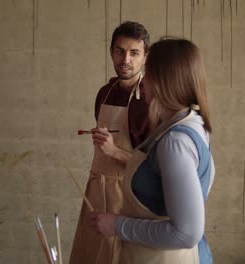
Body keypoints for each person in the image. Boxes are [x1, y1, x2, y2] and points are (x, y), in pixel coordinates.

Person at [92, 38, 215, 264]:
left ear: (162, 81)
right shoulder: (192, 122)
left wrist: (117, 225)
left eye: (148, 73)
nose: (144, 80)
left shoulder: (175, 142)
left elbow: (187, 233)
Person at [69, 21, 150, 264]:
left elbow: (152, 164)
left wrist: (114, 151)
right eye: (119, 51)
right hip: (96, 188)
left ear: (146, 56)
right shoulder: (104, 91)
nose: (125, 59)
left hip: (129, 196)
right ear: (111, 52)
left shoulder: (149, 99)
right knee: (89, 254)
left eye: (134, 53)